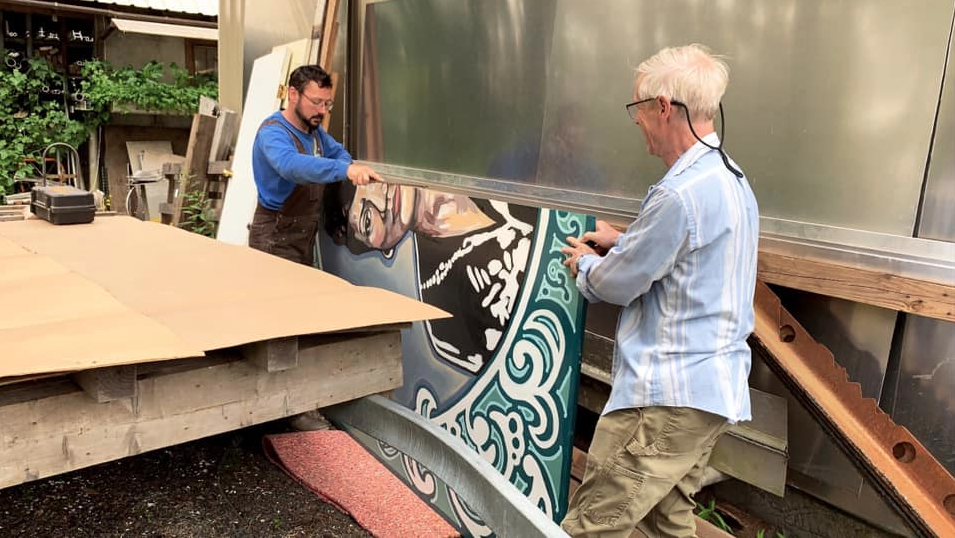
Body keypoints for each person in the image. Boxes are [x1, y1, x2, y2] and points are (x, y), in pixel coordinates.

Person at [559, 44, 759, 538]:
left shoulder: (677, 193)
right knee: (663, 522)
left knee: (592, 524)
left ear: (664, 108)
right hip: (710, 393)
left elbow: (620, 282)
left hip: (665, 398)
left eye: (638, 108)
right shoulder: (731, 179)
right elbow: (689, 259)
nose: (636, 120)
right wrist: (624, 239)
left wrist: (587, 263)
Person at [324, 180, 536, 374]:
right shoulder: (445, 323)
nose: (382, 202)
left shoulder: (501, 180)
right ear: (383, 249)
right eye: (368, 220)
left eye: (374, 184)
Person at [249, 64, 381, 266]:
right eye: (317, 102)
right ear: (293, 94)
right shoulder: (273, 133)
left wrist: (346, 166)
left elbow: (339, 153)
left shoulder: (315, 132)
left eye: (328, 104)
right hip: (274, 238)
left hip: (304, 239)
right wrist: (345, 170)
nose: (322, 111)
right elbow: (291, 166)